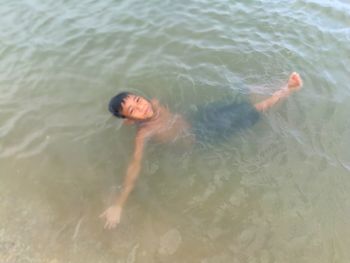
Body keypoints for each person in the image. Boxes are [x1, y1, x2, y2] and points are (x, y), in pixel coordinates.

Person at [100, 72, 303, 229]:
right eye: (133, 111)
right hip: (200, 137)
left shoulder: (153, 103)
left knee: (240, 102)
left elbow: (159, 98)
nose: (141, 107)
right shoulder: (143, 134)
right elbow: (134, 166)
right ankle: (287, 90)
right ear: (129, 121)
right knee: (252, 110)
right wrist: (119, 204)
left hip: (197, 117)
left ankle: (274, 88)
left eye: (138, 101)